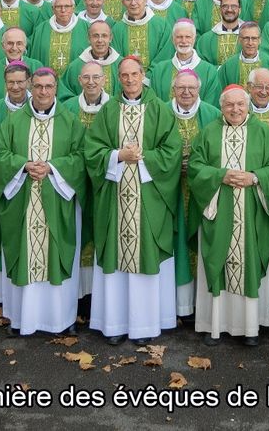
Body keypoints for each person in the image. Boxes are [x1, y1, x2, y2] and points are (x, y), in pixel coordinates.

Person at [84, 56, 182, 343]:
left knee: (145, 260)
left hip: (149, 199)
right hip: (115, 202)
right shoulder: (108, 111)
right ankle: (114, 325)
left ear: (143, 75)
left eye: (134, 75)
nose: (129, 80)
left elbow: (172, 151)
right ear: (118, 78)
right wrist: (117, 156)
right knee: (116, 259)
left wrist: (142, 157)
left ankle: (144, 327)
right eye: (124, 76)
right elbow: (92, 151)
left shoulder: (160, 110)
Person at [0, 67, 87, 336]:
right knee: (24, 255)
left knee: (57, 254)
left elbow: (81, 157)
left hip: (57, 201)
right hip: (22, 201)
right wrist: (23, 165)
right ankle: (22, 320)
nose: (44, 92)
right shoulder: (13, 120)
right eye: (39, 86)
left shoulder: (70, 121)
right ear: (32, 86)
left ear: (56, 88)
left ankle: (61, 320)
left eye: (49, 87)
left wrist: (53, 168)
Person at [190, 86, 269, 346]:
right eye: (229, 105)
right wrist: (221, 176)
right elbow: (195, 167)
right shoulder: (208, 132)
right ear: (221, 107)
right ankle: (214, 326)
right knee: (217, 261)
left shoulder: (263, 133)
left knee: (248, 262)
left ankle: (249, 327)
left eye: (240, 105)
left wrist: (255, 177)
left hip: (252, 211)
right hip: (218, 212)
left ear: (248, 105)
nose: (235, 109)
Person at [168, 69, 219, 320]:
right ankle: (177, 304)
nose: (186, 93)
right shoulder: (162, 112)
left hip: (203, 191)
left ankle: (203, 303)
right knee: (174, 240)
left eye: (191, 88)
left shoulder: (212, 114)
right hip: (171, 189)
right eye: (181, 88)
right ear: (173, 90)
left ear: (199, 89)